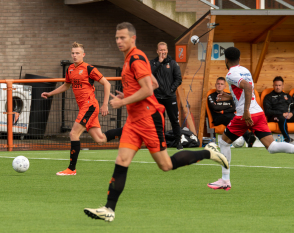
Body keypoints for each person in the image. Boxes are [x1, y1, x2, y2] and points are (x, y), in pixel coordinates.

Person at [83, 22, 229, 222]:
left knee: (166, 165)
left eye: (122, 37)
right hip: (135, 121)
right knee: (121, 161)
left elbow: (149, 89)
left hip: (149, 119)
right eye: (117, 38)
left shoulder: (135, 58)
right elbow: (154, 82)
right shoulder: (131, 59)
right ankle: (109, 209)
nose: (118, 41)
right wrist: (128, 92)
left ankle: (208, 152)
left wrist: (122, 101)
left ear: (133, 38)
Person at [207, 47, 294, 191]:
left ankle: (225, 180)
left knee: (223, 142)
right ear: (240, 59)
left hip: (245, 115)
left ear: (226, 60)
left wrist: (246, 111)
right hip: (258, 113)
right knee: (272, 147)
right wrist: (231, 97)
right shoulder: (245, 71)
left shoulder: (230, 74)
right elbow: (244, 92)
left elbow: (248, 88)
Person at [41, 42, 122, 176]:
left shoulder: (89, 68)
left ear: (83, 54)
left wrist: (105, 104)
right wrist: (50, 94)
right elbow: (66, 86)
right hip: (85, 108)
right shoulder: (70, 69)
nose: (75, 55)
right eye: (73, 53)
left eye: (77, 53)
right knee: (100, 140)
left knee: (73, 134)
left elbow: (106, 83)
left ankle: (71, 169)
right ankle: (131, 131)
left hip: (90, 106)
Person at [150, 42, 183, 150]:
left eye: (164, 50)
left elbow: (178, 79)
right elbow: (149, 75)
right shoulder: (153, 63)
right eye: (160, 50)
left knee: (174, 120)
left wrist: (171, 89)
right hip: (157, 98)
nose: (162, 52)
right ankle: (161, 143)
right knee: (159, 121)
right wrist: (159, 63)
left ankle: (178, 142)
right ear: (157, 51)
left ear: (167, 50)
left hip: (170, 97)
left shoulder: (173, 63)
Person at [208, 77, 256, 147]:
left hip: (228, 115)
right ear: (215, 85)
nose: (219, 85)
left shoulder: (228, 96)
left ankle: (248, 139)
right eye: (218, 84)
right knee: (233, 118)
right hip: (217, 118)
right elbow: (214, 107)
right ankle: (248, 137)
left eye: (221, 84)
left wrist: (222, 111)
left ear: (225, 86)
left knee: (239, 118)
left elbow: (234, 108)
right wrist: (228, 107)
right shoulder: (211, 96)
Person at [263, 76, 294, 143]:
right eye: (276, 85)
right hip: (275, 116)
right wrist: (282, 114)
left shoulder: (287, 96)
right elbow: (267, 111)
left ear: (283, 86)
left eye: (279, 85)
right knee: (281, 117)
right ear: (273, 85)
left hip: (288, 116)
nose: (278, 87)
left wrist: (291, 113)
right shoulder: (268, 97)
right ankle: (287, 138)